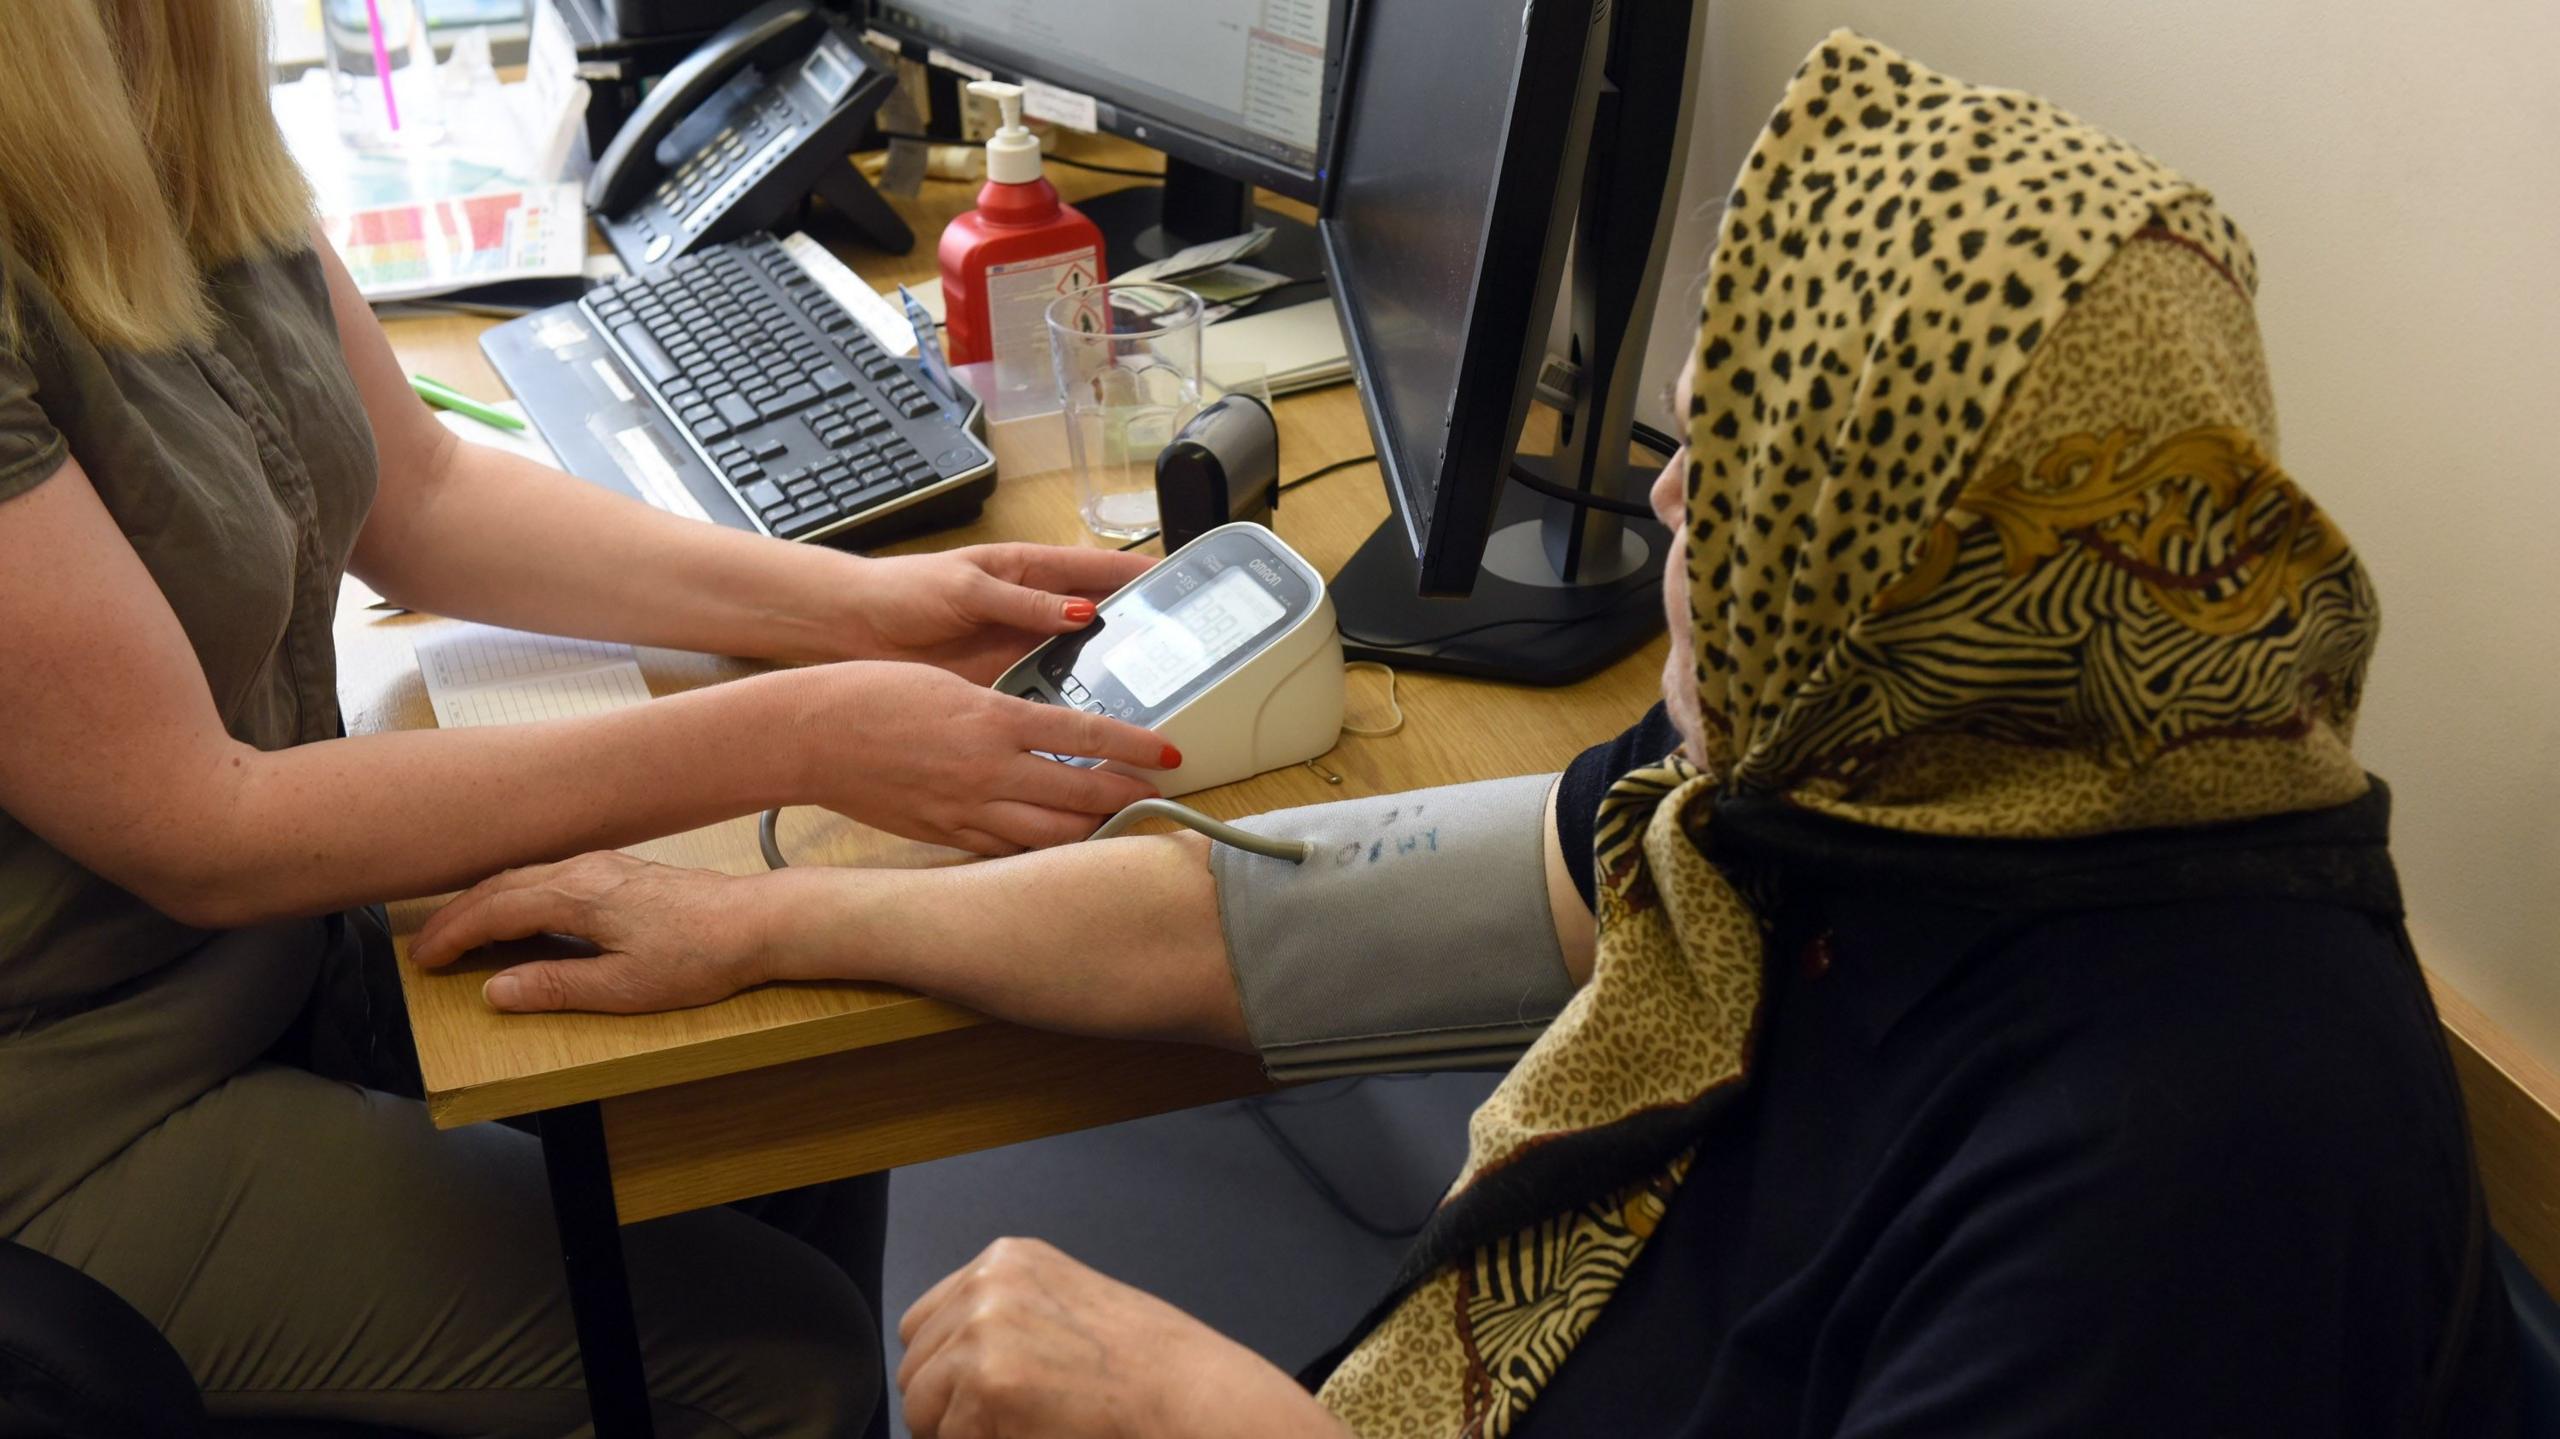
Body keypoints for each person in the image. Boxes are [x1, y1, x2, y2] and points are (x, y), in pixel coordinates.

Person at [417, 31, 2522, 1439]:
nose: (1677, 499)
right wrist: (786, 933)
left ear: (1925, 560)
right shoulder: (1899, 780)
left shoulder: (2202, 1163)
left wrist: (1201, 1414)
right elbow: (1315, 922)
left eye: (1749, 459)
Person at [0, 2, 1178, 1434]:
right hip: (77, 1093)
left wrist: (859, 605)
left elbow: (419, 493)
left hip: (273, 958)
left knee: (792, 1082)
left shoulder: (160, 93)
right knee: (778, 1358)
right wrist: (803, 733)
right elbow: (204, 823)